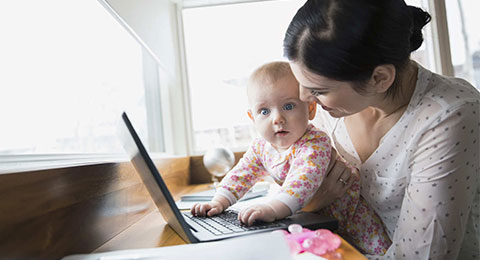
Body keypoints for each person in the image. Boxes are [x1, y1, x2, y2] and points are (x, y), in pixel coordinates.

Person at [283, 0, 480, 259]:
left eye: (319, 90)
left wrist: (311, 203)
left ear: (379, 78)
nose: (304, 97)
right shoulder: (336, 109)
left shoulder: (449, 116)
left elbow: (423, 256)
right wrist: (313, 202)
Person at [191, 61, 391, 254]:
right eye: (264, 111)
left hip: (354, 220)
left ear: (310, 109)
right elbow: (241, 175)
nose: (277, 118)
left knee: (375, 254)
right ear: (253, 118)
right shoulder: (261, 147)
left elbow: (303, 180)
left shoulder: (314, 142)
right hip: (314, 222)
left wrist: (272, 208)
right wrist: (219, 201)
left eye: (288, 106)